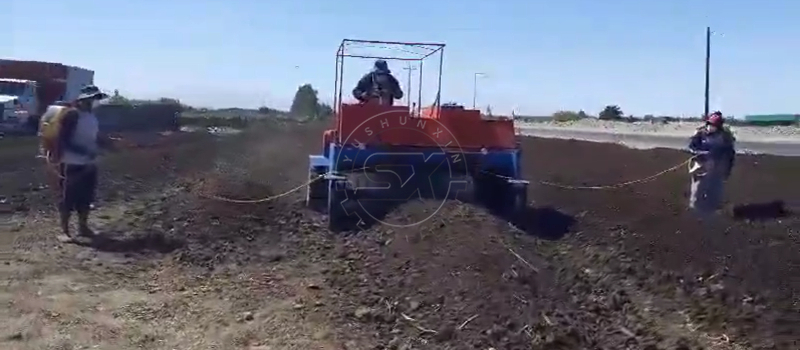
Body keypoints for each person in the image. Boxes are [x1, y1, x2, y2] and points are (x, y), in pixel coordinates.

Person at [55, 85, 110, 243]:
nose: (92, 102)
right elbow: (63, 140)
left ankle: (83, 227)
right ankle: (64, 231)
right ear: (81, 99)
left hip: (89, 163)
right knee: (68, 197)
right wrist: (83, 152)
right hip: (72, 162)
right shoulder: (72, 115)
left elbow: (94, 137)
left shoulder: (91, 116)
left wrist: (109, 144)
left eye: (94, 99)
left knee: (86, 196)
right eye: (89, 99)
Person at [687, 111, 736, 217]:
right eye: (710, 124)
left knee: (716, 189)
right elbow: (691, 147)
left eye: (714, 125)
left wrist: (728, 170)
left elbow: (730, 154)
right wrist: (701, 153)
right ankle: (695, 210)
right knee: (698, 189)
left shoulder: (725, 137)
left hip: (717, 167)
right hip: (701, 166)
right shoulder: (700, 133)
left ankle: (714, 210)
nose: (711, 127)